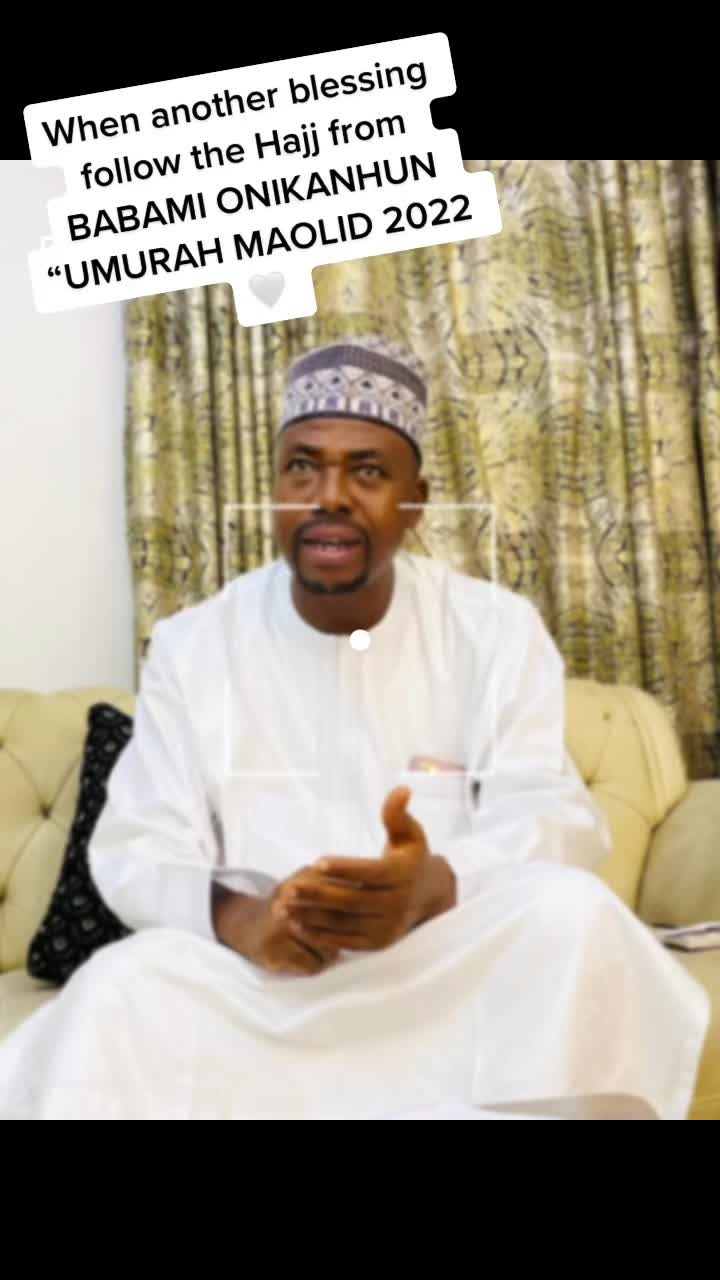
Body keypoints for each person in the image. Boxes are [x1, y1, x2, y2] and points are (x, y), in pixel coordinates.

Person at [0, 336, 709, 1120]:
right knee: (123, 984)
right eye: (303, 467)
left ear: (417, 500)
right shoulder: (193, 645)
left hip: (439, 962)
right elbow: (139, 847)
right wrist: (246, 920)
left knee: (574, 914)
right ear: (275, 487)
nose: (329, 496)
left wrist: (434, 884)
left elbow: (551, 814)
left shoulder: (494, 631)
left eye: (367, 471)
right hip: (260, 985)